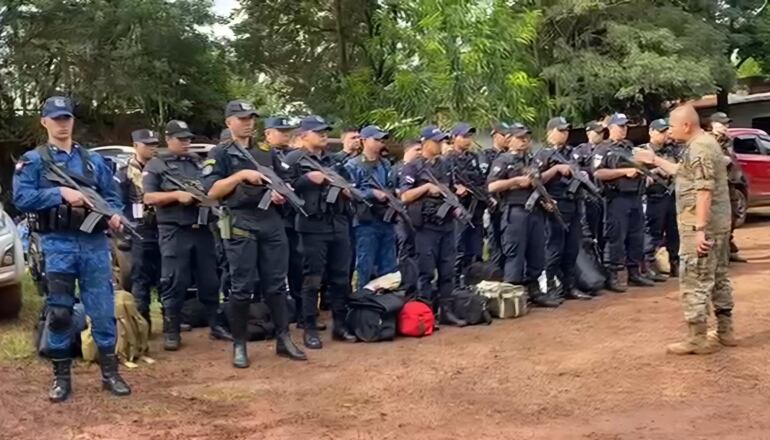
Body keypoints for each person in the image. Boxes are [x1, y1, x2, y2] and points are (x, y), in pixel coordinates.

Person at [13, 96, 130, 402]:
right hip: (57, 245)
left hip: (93, 245)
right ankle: (61, 378)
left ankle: (111, 374)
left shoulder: (92, 161)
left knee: (103, 313)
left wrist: (116, 215)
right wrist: (59, 193)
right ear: (44, 122)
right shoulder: (34, 160)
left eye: (66, 118)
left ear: (72, 121)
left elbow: (112, 197)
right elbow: (22, 199)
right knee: (61, 312)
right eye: (56, 119)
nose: (62, 124)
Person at [203, 101, 306, 367]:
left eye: (251, 118)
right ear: (229, 122)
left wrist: (279, 194)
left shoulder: (265, 151)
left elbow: (283, 181)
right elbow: (210, 192)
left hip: (270, 222)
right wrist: (240, 176)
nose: (248, 122)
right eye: (241, 118)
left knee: (276, 285)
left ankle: (284, 339)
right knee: (241, 288)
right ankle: (239, 344)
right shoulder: (221, 153)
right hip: (240, 223)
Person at [634, 105, 735, 354]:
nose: (669, 130)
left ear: (687, 125)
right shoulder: (704, 143)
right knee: (719, 276)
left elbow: (703, 190)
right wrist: (655, 160)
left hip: (701, 226)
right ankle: (725, 330)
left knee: (695, 278)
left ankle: (697, 337)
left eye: (672, 125)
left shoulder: (699, 148)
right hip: (718, 224)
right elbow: (684, 173)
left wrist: (699, 229)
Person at [143, 120, 231, 351]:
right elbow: (148, 198)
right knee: (174, 280)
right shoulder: (156, 165)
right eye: (181, 139)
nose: (186, 143)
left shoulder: (197, 162)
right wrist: (175, 196)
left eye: (188, 139)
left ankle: (215, 324)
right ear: (168, 139)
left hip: (202, 229)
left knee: (210, 280)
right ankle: (172, 330)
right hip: (174, 230)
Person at [284, 116, 357, 349]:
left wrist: (347, 192)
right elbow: (282, 187)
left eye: (325, 131)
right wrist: (306, 179)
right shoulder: (293, 159)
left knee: (340, 278)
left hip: (338, 223)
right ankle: (310, 327)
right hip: (312, 226)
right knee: (312, 279)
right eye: (318, 132)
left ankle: (340, 325)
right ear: (304, 135)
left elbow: (349, 187)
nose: (324, 135)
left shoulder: (333, 161)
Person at [399, 125, 468, 326]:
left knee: (447, 269)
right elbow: (404, 196)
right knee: (425, 271)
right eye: (437, 141)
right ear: (425, 142)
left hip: (446, 224)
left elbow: (450, 190)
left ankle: (445, 311)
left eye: (442, 141)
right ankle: (426, 313)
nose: (440, 145)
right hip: (424, 227)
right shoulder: (412, 166)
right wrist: (427, 188)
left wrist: (455, 207)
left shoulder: (445, 165)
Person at [487, 123, 561, 308]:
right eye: (520, 138)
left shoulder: (532, 161)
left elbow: (538, 184)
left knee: (536, 252)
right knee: (515, 254)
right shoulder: (502, 160)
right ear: (509, 139)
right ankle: (513, 294)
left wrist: (547, 201)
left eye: (526, 138)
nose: (524, 141)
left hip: (535, 212)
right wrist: (515, 181)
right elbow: (491, 186)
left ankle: (534, 290)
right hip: (515, 212)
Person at [593, 113, 654, 292]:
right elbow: (598, 173)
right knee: (616, 238)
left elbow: (641, 166)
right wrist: (623, 172)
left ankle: (634, 272)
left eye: (625, 126)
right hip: (616, 198)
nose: (624, 129)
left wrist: (646, 175)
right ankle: (613, 275)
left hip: (635, 196)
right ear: (610, 128)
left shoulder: (629, 147)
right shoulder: (602, 149)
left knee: (636, 236)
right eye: (620, 126)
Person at [534, 117, 593, 300]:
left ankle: (569, 285)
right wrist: (556, 170)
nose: (564, 134)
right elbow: (536, 180)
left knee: (572, 247)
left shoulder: (573, 152)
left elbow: (586, 169)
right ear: (550, 132)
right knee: (554, 247)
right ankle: (550, 285)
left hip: (574, 202)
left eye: (566, 130)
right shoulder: (543, 154)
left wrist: (583, 174)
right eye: (560, 130)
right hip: (555, 204)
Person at [344, 125, 398, 291]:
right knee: (364, 263)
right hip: (365, 220)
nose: (379, 143)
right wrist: (371, 193)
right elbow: (349, 191)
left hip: (386, 218)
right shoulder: (353, 165)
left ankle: (386, 299)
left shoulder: (385, 164)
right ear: (364, 140)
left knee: (388, 263)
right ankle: (361, 297)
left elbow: (391, 186)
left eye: (381, 140)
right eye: (376, 139)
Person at [117, 129, 161, 330]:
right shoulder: (124, 172)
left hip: (163, 227)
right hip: (138, 230)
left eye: (154, 144)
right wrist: (127, 227)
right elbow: (117, 202)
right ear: (136, 146)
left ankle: (171, 321)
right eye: (147, 144)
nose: (152, 148)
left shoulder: (160, 168)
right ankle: (143, 324)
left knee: (165, 276)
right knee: (140, 277)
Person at [445, 123, 487, 287]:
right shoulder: (448, 159)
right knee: (458, 248)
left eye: (469, 136)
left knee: (476, 248)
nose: (468, 140)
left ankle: (473, 282)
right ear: (455, 138)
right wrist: (456, 188)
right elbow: (444, 183)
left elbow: (480, 181)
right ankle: (455, 284)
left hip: (475, 207)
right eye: (464, 136)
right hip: (459, 209)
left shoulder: (473, 158)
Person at [641, 119, 681, 281]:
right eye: (661, 131)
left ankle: (674, 263)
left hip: (671, 195)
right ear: (651, 132)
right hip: (653, 197)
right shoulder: (643, 151)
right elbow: (637, 171)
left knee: (674, 231)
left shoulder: (672, 150)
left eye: (665, 131)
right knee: (652, 232)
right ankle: (650, 265)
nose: (664, 135)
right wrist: (655, 170)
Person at [708, 112, 747, 263]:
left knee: (733, 215)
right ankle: (720, 252)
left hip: (730, 183)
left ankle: (729, 248)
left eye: (727, 124)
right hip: (716, 185)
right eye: (722, 124)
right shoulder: (708, 141)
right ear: (712, 124)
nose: (726, 127)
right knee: (718, 218)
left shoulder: (726, 141)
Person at [393, 140, 422, 296]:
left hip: (416, 216)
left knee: (416, 251)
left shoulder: (420, 168)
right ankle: (404, 283)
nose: (419, 152)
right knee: (404, 249)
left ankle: (413, 283)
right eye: (417, 149)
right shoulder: (396, 168)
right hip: (399, 215)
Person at [482, 123, 512, 271]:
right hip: (493, 206)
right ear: (495, 135)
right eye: (504, 135)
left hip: (509, 205)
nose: (508, 138)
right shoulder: (487, 156)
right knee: (496, 244)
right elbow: (484, 181)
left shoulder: (513, 157)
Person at [574, 121, 606, 248]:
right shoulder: (581, 150)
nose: (600, 135)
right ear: (588, 133)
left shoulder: (607, 149)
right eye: (597, 132)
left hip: (606, 195)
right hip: (588, 196)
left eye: (602, 132)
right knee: (588, 233)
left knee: (605, 231)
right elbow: (575, 168)